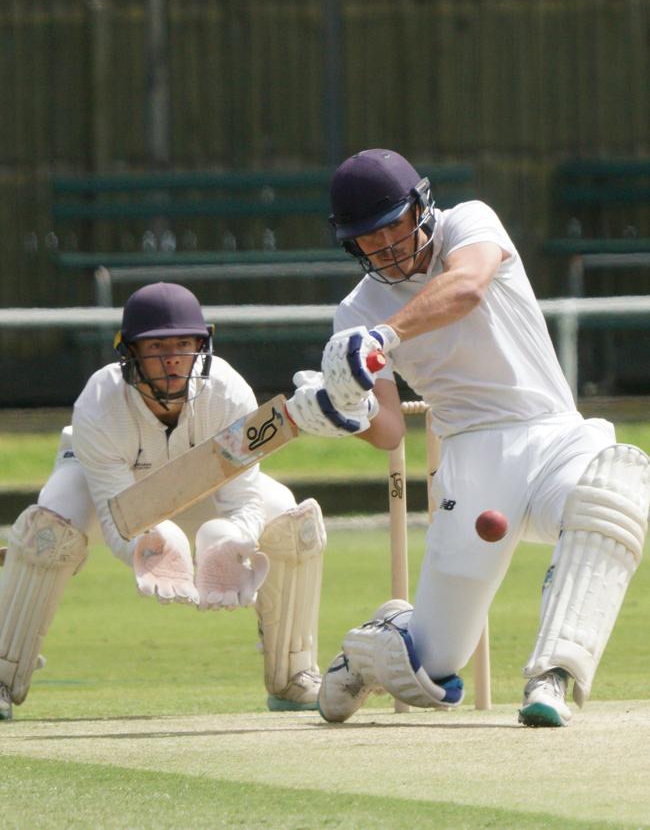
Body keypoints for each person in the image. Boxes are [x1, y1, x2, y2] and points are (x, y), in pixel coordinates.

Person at [285, 148, 650, 727]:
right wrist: (336, 412)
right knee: (433, 664)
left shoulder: (469, 222)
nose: (382, 249)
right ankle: (373, 648)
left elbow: (468, 287)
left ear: (421, 208)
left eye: (390, 229)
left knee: (619, 486)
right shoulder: (354, 311)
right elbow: (385, 431)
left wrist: (382, 337)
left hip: (556, 433)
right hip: (473, 462)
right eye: (365, 241)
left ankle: (554, 673)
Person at [0, 282, 325, 721]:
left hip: (203, 493)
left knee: (291, 520)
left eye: (183, 344)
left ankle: (293, 674)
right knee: (49, 525)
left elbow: (245, 496)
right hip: (109, 494)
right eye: (156, 346)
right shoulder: (99, 401)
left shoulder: (229, 392)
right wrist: (145, 546)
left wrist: (233, 539)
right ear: (129, 351)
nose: (172, 357)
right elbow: (118, 516)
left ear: (202, 346)